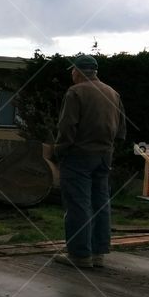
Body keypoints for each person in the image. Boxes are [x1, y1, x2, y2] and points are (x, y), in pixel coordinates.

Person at [54, 54, 126, 269]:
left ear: (77, 72)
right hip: (104, 155)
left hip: (78, 155)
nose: (71, 74)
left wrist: (60, 151)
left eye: (72, 71)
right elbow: (121, 130)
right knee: (100, 203)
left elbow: (67, 127)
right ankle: (98, 254)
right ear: (95, 72)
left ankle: (79, 255)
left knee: (78, 204)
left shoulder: (75, 92)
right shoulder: (112, 93)